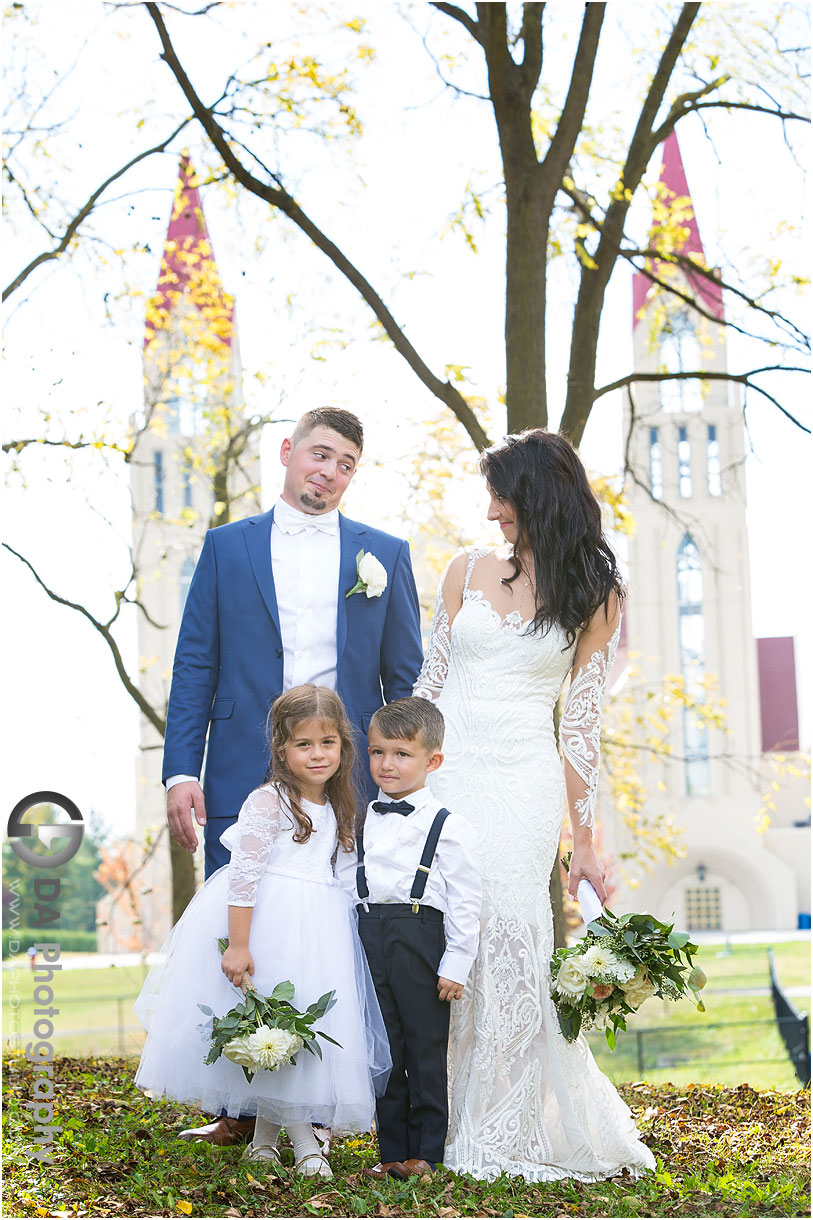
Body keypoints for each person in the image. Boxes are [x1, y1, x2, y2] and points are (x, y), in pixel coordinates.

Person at [163, 407, 423, 1143]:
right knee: (239, 927)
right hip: (244, 764)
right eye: (320, 454)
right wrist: (182, 768)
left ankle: (329, 1104)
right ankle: (240, 1111)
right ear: (287, 452)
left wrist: (403, 773)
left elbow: (403, 681)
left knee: (337, 934)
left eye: (345, 462)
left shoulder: (385, 555)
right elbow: (194, 662)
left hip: (349, 779)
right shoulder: (224, 548)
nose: (330, 471)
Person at [415, 428, 656, 1182]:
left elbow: (580, 727)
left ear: (537, 494)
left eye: (500, 495)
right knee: (446, 932)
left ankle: (507, 1121)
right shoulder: (461, 570)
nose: (489, 512)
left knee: (512, 934)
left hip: (524, 780)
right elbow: (428, 687)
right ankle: (438, 1114)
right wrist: (394, 780)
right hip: (445, 776)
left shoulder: (595, 593)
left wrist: (583, 840)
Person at [135, 686, 391, 1179]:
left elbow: (343, 874)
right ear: (281, 750)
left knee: (299, 1031)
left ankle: (266, 1141)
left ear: (344, 747)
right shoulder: (267, 802)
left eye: (328, 743)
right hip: (270, 924)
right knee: (276, 1024)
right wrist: (239, 943)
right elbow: (243, 877)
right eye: (304, 744)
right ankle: (306, 1146)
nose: (317, 755)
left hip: (321, 929)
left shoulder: (341, 805)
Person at [337, 697, 482, 1180]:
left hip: (420, 937)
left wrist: (456, 962)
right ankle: (390, 1153)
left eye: (401, 754)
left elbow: (465, 899)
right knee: (384, 1048)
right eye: (378, 753)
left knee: (423, 1048)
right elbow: (343, 879)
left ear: (431, 761)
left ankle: (427, 1152)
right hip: (368, 933)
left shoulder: (448, 825)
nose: (387, 764)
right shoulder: (358, 818)